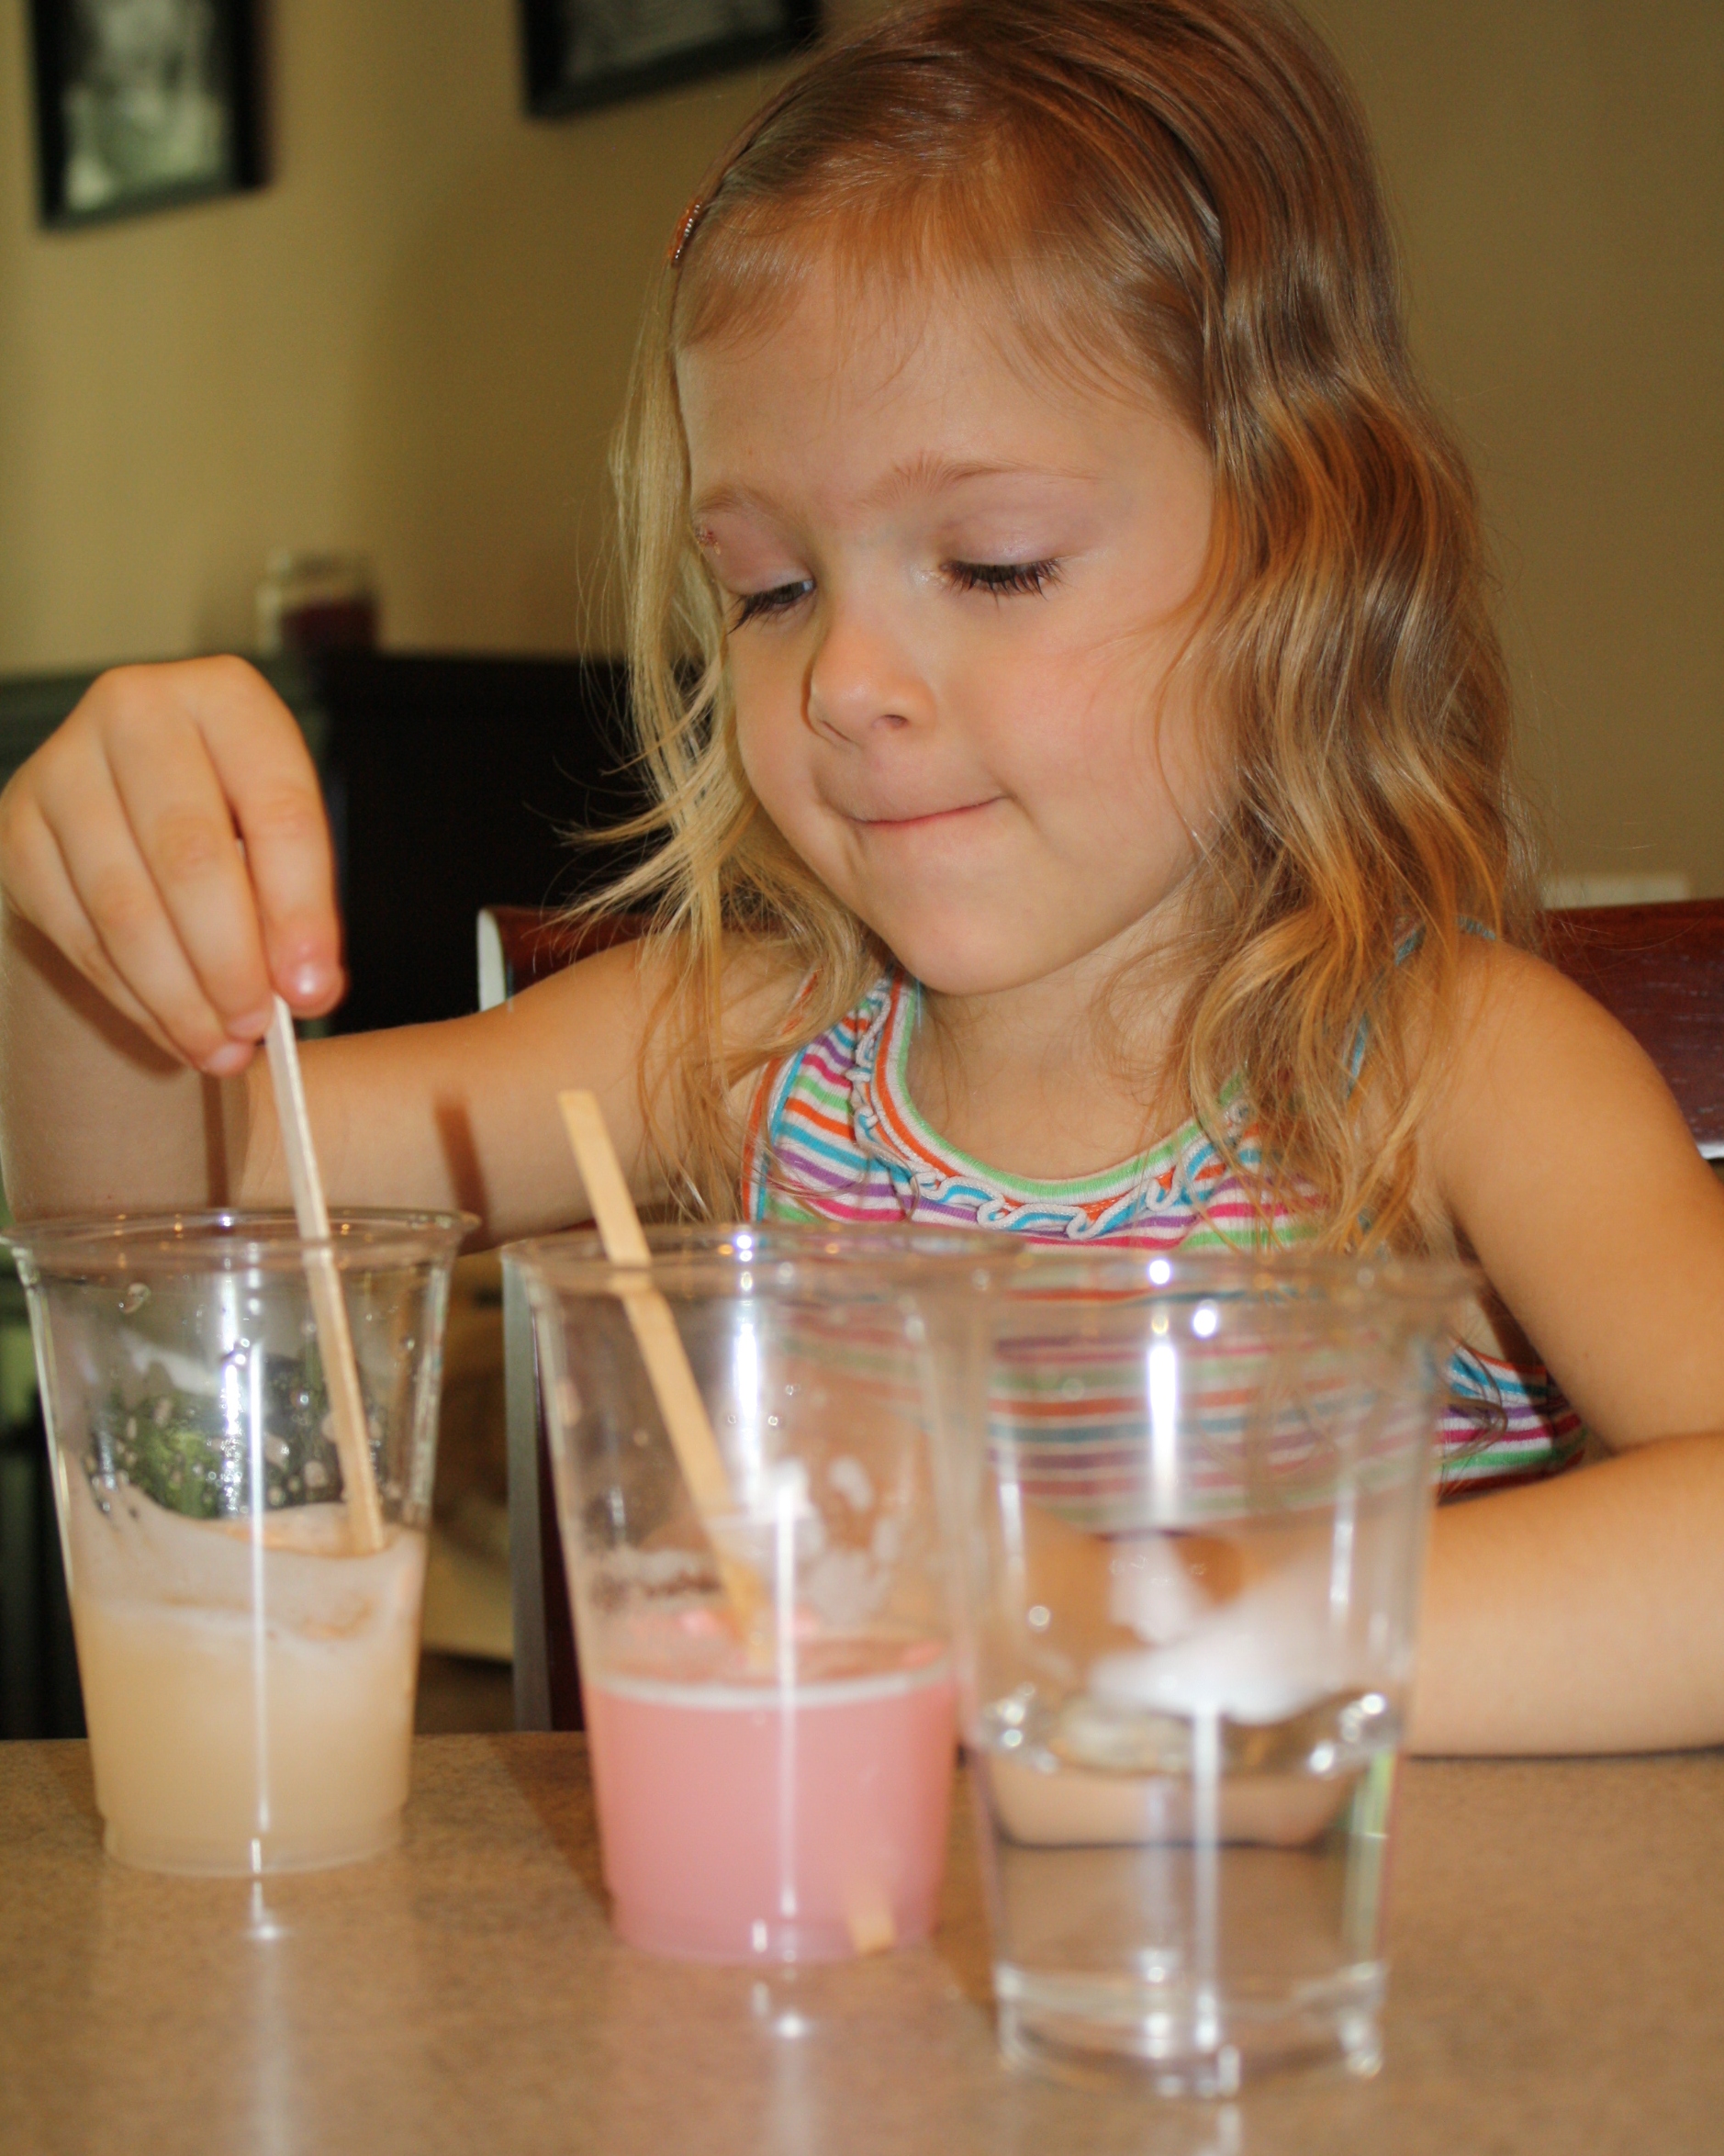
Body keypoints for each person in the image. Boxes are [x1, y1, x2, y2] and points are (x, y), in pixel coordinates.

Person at [2, 0, 1720, 1757]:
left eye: (993, 563)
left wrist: (1112, 1638)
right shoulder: (744, 1049)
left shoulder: (1446, 1074)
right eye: (770, 590)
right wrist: (72, 940)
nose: (843, 681)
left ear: (1303, 551)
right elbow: (152, 1227)